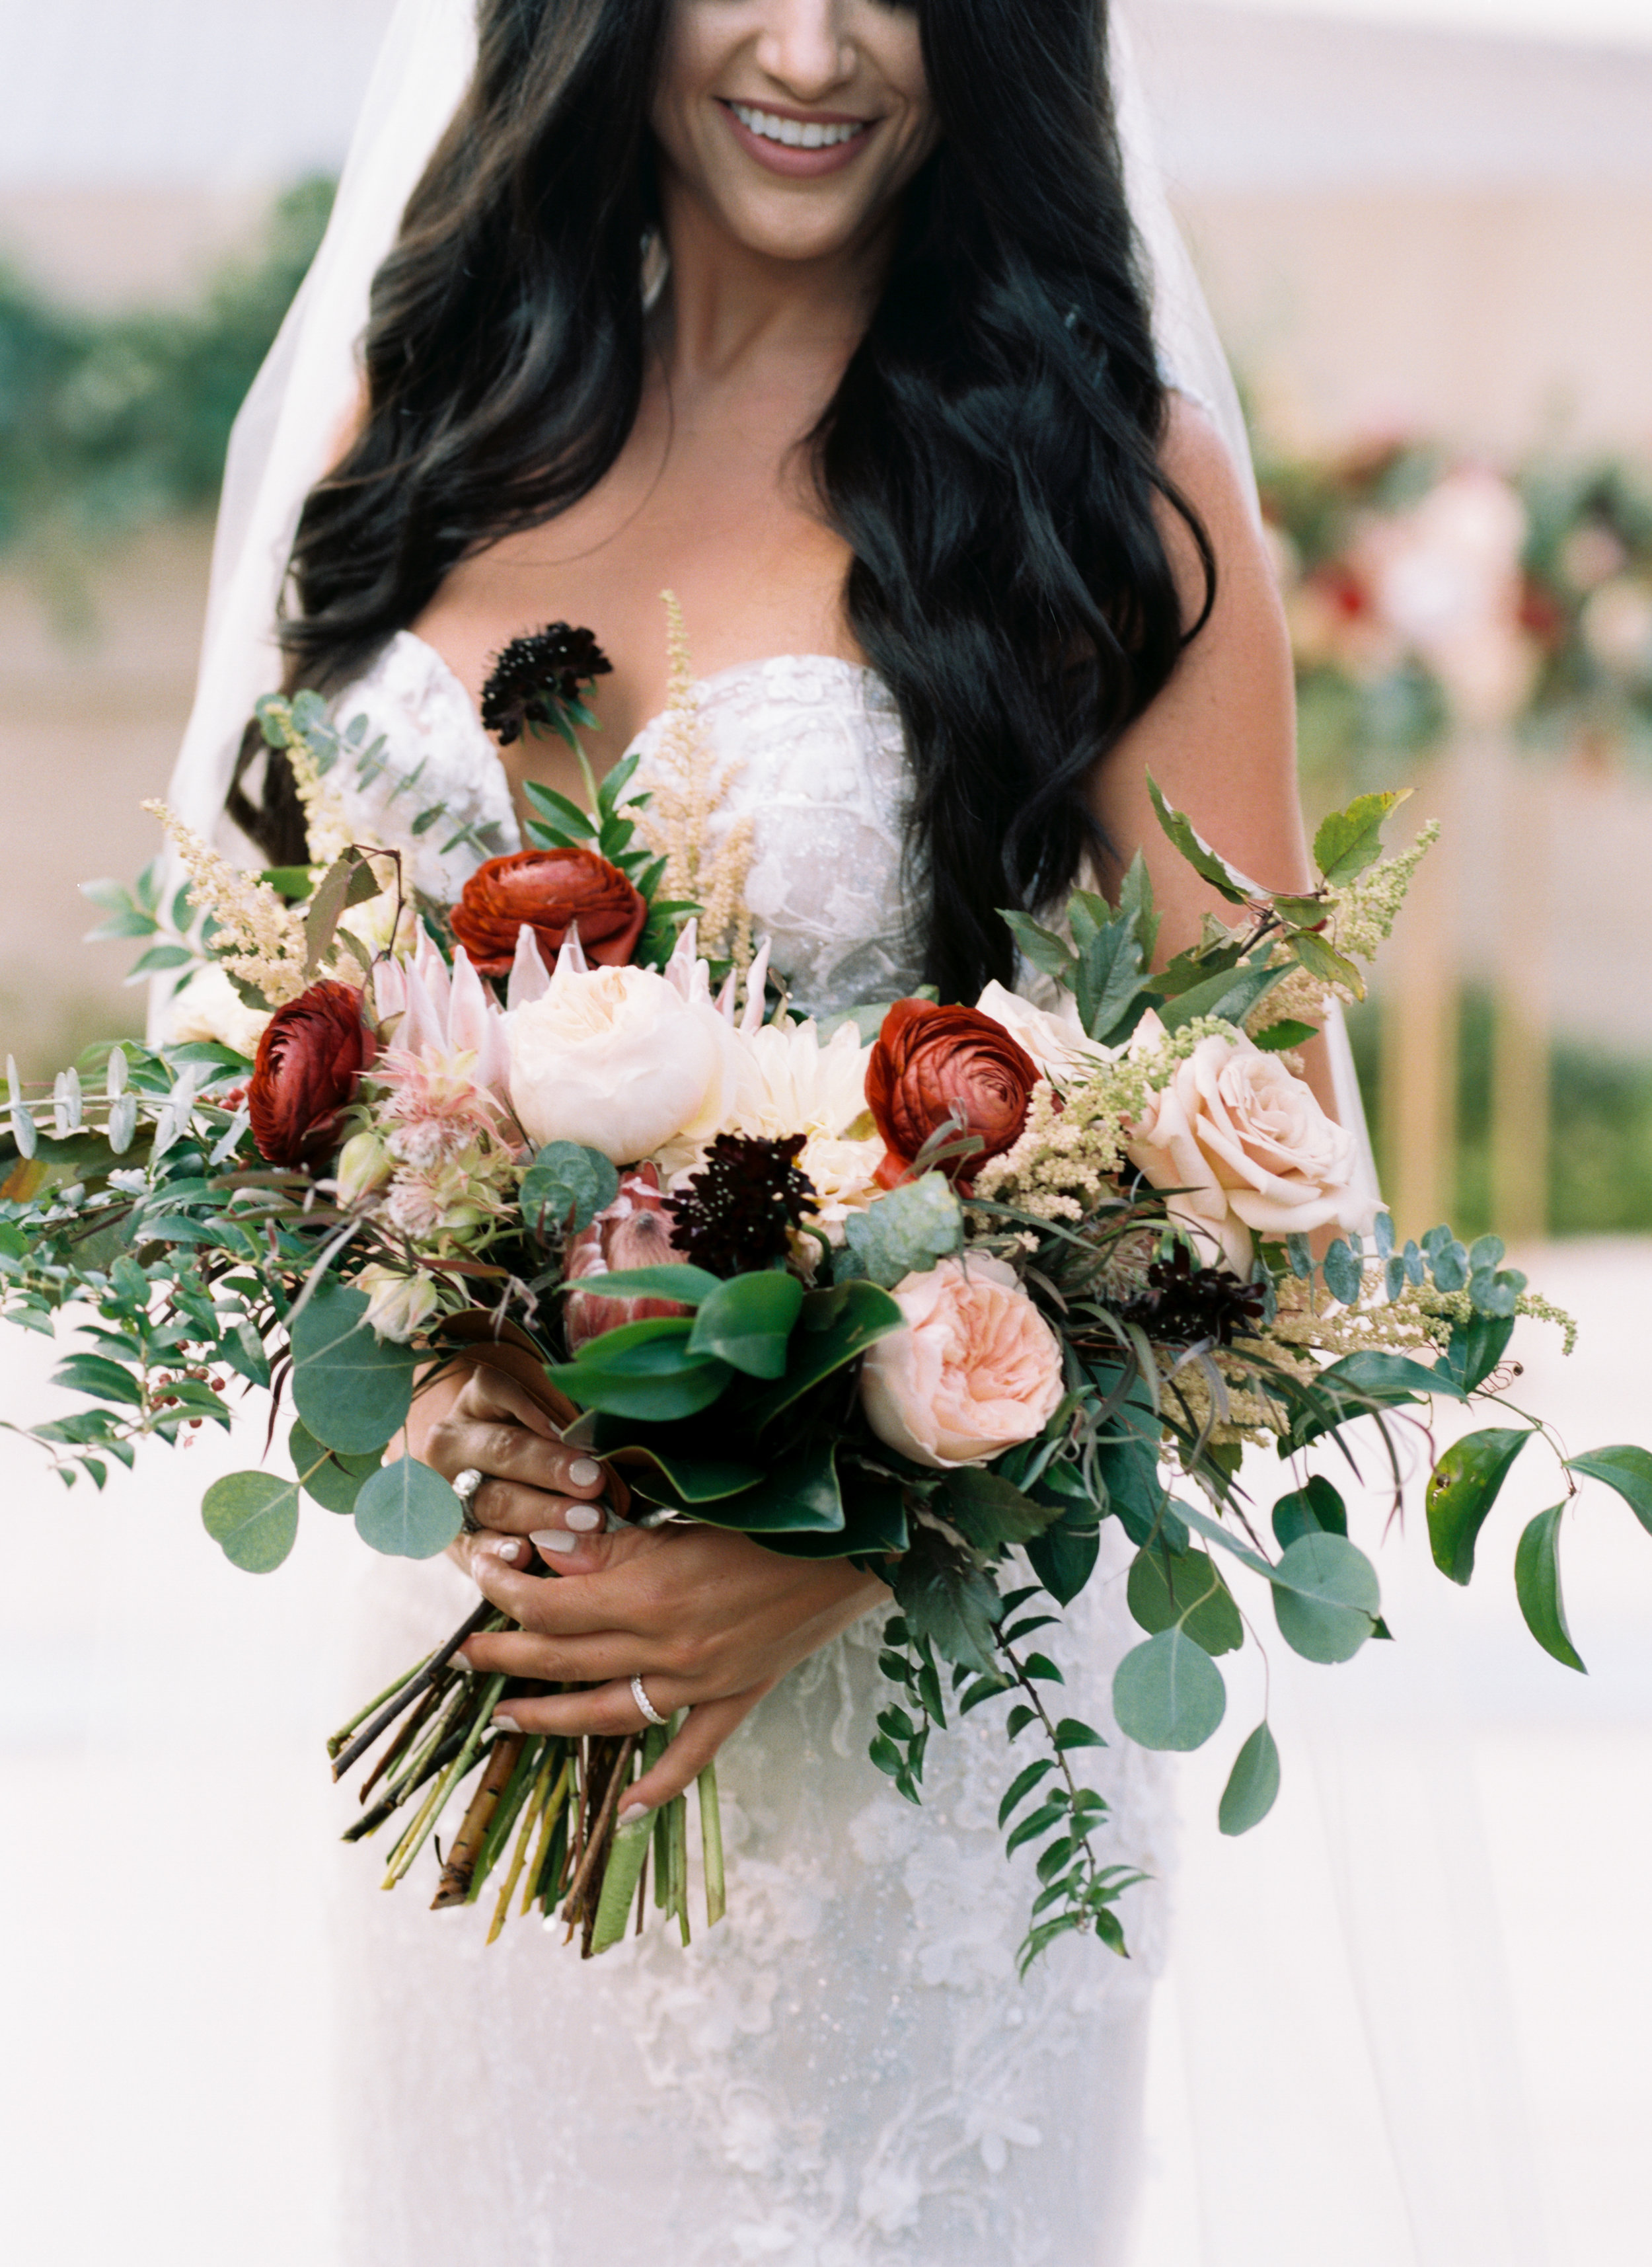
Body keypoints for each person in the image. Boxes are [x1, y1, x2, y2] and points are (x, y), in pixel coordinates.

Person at [204, 4, 1325, 2259]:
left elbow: (1269, 1203)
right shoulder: (413, 428)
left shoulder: (1101, 487)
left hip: (919, 1754)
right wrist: (425, 1360)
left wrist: (831, 1548)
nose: (814, 44)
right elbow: (263, 1051)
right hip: (482, 1657)